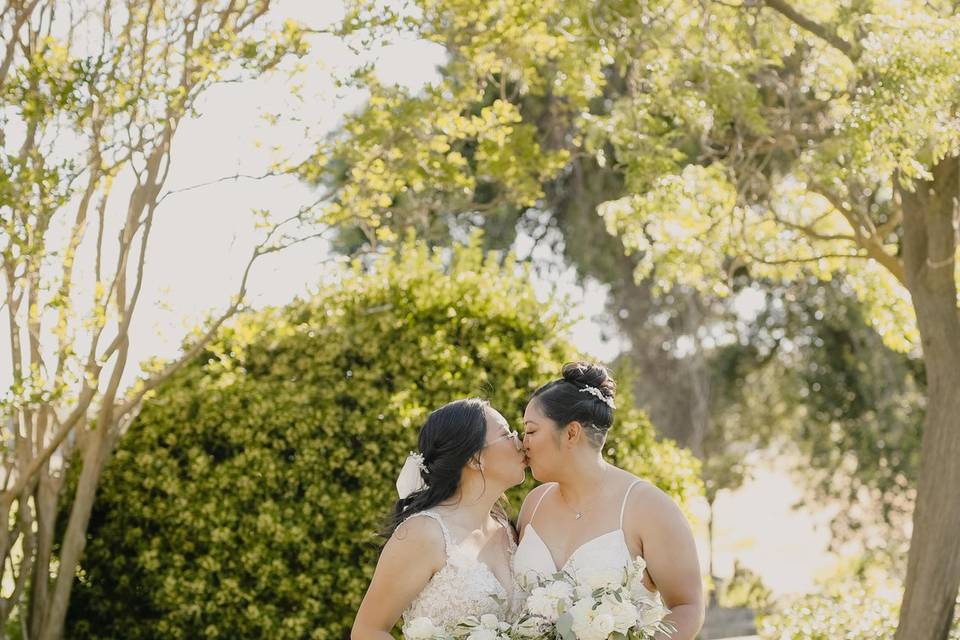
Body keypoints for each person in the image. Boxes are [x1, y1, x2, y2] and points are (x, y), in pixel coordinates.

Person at [514, 362, 705, 639]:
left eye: (531, 431)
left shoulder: (649, 508)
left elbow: (688, 606)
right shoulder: (534, 504)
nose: (523, 442)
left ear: (571, 433)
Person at [351, 398, 527, 639]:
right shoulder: (423, 533)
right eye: (507, 434)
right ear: (475, 458)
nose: (521, 442)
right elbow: (367, 631)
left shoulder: (508, 530)